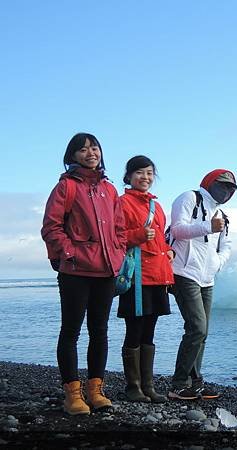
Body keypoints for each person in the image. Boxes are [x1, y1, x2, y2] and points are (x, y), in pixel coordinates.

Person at [41, 132, 126, 415]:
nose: (91, 152)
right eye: (83, 149)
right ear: (72, 156)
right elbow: (51, 227)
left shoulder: (109, 189)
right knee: (71, 331)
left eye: (95, 147)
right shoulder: (66, 187)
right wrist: (69, 253)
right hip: (75, 270)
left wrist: (118, 252)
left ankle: (95, 391)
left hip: (106, 270)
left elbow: (120, 229)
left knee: (99, 331)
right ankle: (73, 395)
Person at [168, 169, 237, 400]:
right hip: (183, 272)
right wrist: (208, 227)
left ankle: (195, 383)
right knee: (197, 328)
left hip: (207, 277)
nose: (226, 191)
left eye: (231, 189)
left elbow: (226, 244)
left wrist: (218, 262)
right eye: (223, 185)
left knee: (202, 332)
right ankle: (178, 385)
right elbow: (177, 229)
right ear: (209, 183)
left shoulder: (221, 214)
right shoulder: (189, 198)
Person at [118, 155, 174, 403]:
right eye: (140, 172)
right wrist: (138, 234)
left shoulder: (156, 206)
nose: (145, 178)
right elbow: (115, 236)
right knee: (135, 328)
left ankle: (148, 386)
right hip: (136, 277)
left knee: (150, 330)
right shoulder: (122, 203)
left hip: (157, 274)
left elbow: (160, 237)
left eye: (150, 173)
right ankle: (133, 387)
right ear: (128, 176)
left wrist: (168, 250)